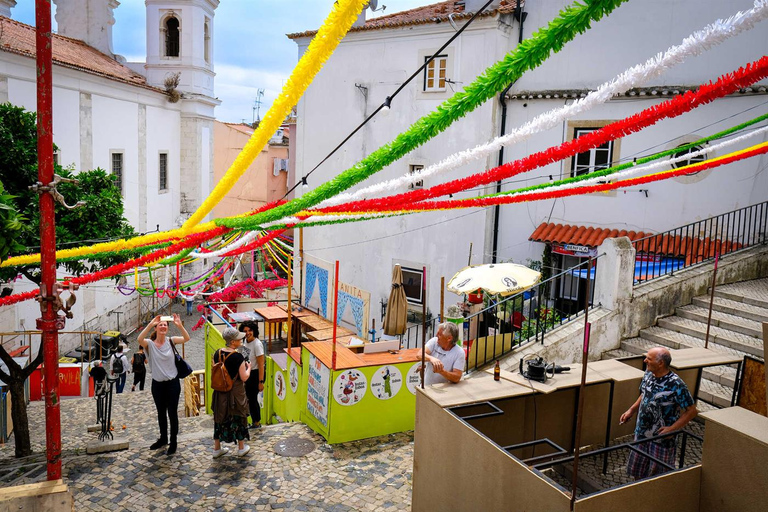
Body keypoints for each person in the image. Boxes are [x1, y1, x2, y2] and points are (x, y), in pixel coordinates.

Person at [620, 347, 697, 479]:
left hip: (661, 439)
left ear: (660, 363)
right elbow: (645, 394)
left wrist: (672, 429)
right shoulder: (648, 374)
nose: (645, 361)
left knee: (658, 476)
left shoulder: (676, 384)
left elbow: (692, 411)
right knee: (638, 471)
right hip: (641, 433)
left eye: (649, 359)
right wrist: (631, 410)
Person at [136, 314, 191, 456]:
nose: (163, 326)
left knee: (172, 413)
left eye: (165, 325)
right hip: (158, 385)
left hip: (172, 383)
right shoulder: (149, 344)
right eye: (160, 325)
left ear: (167, 328)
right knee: (161, 413)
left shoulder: (171, 341)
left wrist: (179, 325)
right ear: (156, 327)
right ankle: (163, 438)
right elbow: (139, 339)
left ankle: (173, 442)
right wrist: (149, 324)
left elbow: (187, 338)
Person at [212, 327, 252, 458]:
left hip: (220, 392)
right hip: (235, 393)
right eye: (239, 338)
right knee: (238, 418)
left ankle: (217, 448)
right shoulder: (238, 356)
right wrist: (249, 368)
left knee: (219, 418)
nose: (241, 339)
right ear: (233, 342)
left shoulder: (217, 353)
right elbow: (244, 377)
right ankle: (241, 447)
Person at [239, 321, 265, 429]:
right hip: (248, 372)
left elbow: (261, 365)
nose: (248, 333)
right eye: (245, 331)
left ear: (254, 331)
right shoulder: (244, 341)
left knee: (253, 399)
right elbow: (244, 357)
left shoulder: (257, 344)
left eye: (250, 330)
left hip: (255, 374)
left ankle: (257, 422)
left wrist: (261, 381)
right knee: (248, 398)